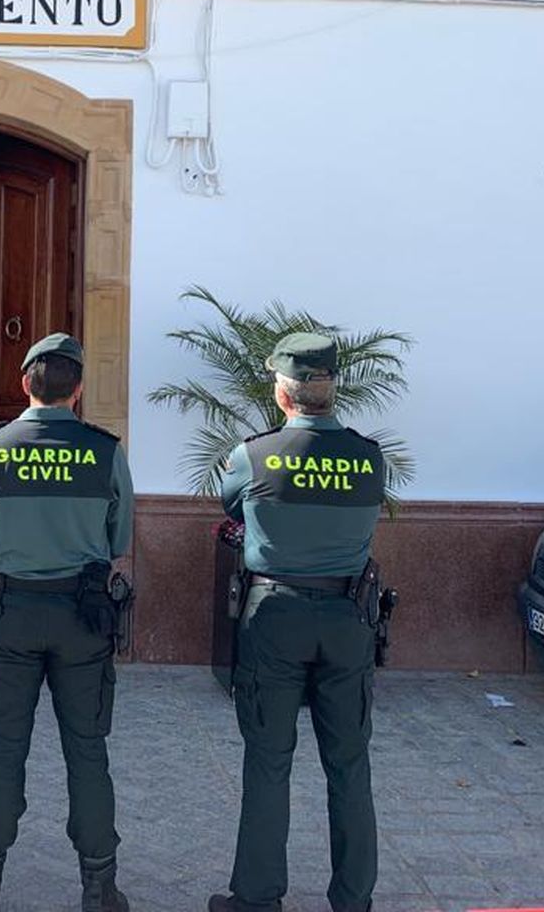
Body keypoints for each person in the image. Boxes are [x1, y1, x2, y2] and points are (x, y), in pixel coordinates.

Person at [0, 333, 136, 912]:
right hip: (83, 616)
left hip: (12, 612)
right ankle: (99, 889)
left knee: (2, 751)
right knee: (88, 751)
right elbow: (119, 538)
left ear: (24, 384)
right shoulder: (105, 452)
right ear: (78, 389)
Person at [208, 332, 387, 912]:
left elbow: (232, 504)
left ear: (282, 394)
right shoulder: (368, 456)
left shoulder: (253, 455)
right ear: (333, 390)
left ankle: (257, 898)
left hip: (275, 618)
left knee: (267, 761)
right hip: (348, 619)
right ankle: (353, 900)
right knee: (349, 764)